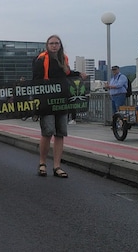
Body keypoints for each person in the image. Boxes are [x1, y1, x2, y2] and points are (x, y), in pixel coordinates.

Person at [33, 35, 87, 178]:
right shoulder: (41, 59)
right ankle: (42, 163)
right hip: (47, 101)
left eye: (56, 43)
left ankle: (57, 166)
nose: (54, 46)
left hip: (62, 101)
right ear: (47, 45)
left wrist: (78, 74)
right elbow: (36, 81)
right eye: (51, 43)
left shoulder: (64, 58)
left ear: (60, 45)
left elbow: (67, 74)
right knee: (48, 131)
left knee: (60, 132)